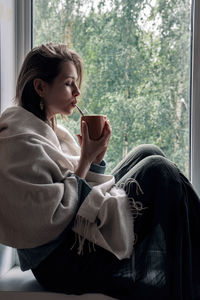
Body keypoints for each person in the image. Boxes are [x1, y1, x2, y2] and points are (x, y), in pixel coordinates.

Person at [0, 43, 199, 300]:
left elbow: (75, 190)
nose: (77, 92)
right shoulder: (19, 141)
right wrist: (85, 159)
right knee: (159, 172)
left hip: (73, 240)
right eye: (69, 83)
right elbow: (52, 218)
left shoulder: (52, 133)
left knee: (147, 152)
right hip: (61, 263)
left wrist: (94, 161)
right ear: (40, 87)